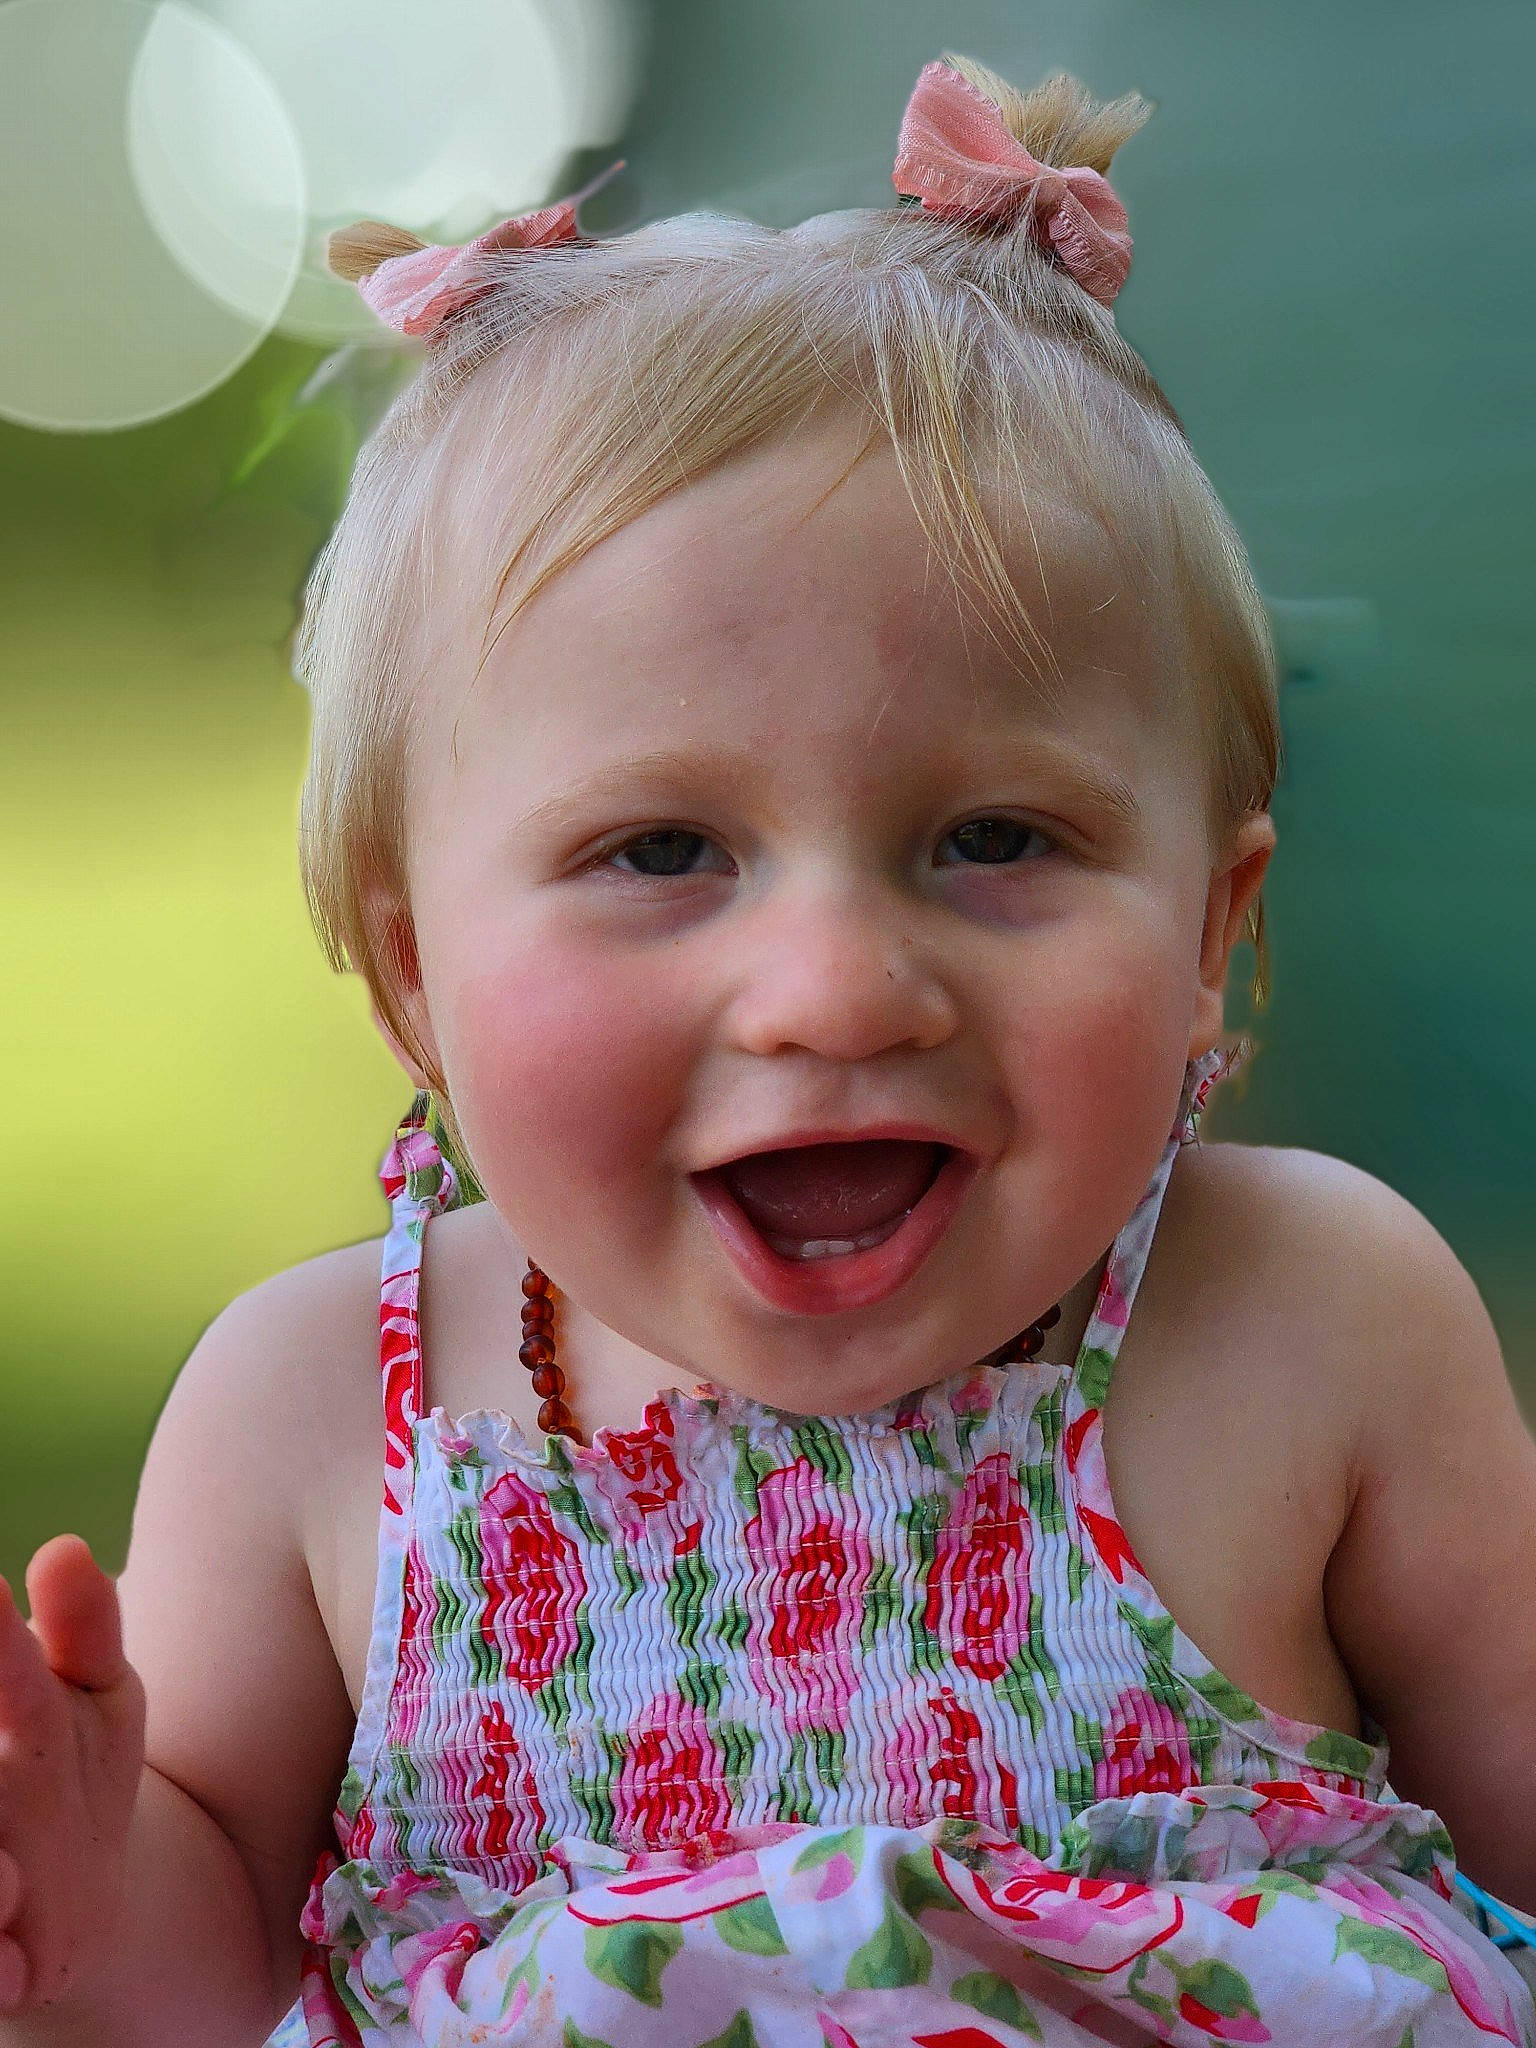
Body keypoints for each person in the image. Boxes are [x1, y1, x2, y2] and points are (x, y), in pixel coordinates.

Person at [1, 50, 1533, 2048]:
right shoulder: (313, 1426)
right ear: (411, 980)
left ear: (1214, 929)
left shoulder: (1311, 1324)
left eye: (996, 839)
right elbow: (209, 1982)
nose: (833, 989)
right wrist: (88, 1885)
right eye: (660, 850)